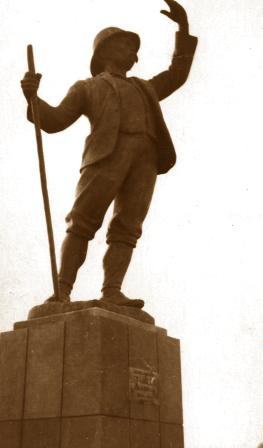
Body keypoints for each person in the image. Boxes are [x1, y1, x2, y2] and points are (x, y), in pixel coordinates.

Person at [20, 0, 197, 308]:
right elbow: (55, 120)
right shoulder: (87, 88)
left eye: (135, 48)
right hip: (106, 157)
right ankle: (62, 290)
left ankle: (112, 290)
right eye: (127, 46)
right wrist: (33, 98)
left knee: (128, 226)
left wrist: (183, 29)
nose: (135, 54)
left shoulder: (146, 88)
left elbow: (177, 74)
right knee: (82, 222)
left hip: (145, 159)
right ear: (105, 51)